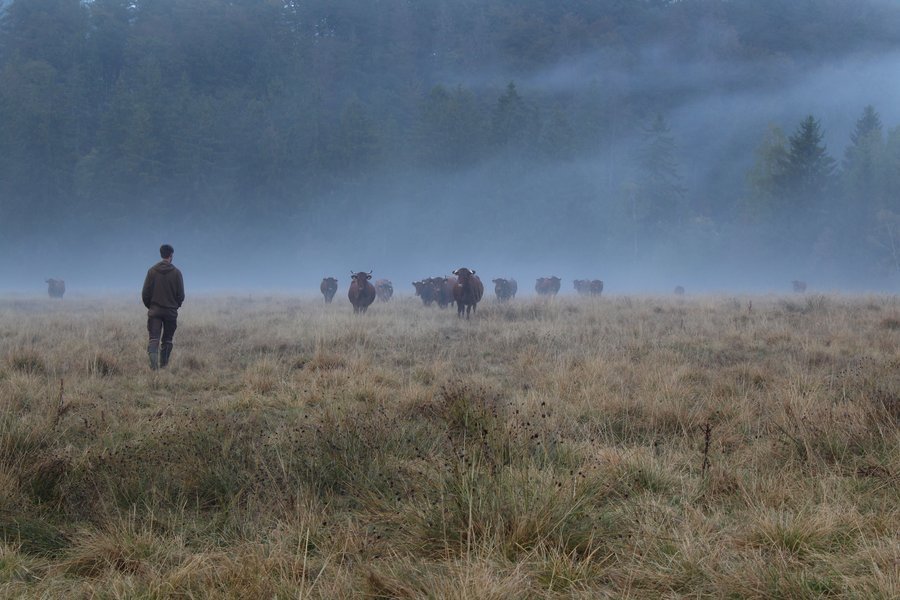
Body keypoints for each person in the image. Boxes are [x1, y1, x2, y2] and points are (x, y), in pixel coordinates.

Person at [142, 244, 185, 370]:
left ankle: (154, 369)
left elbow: (145, 294)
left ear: (161, 255)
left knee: (153, 339)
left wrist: (151, 306)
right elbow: (181, 295)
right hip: (170, 312)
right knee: (167, 340)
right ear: (171, 255)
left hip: (155, 311)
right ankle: (164, 366)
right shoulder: (177, 273)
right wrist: (175, 306)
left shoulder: (151, 271)